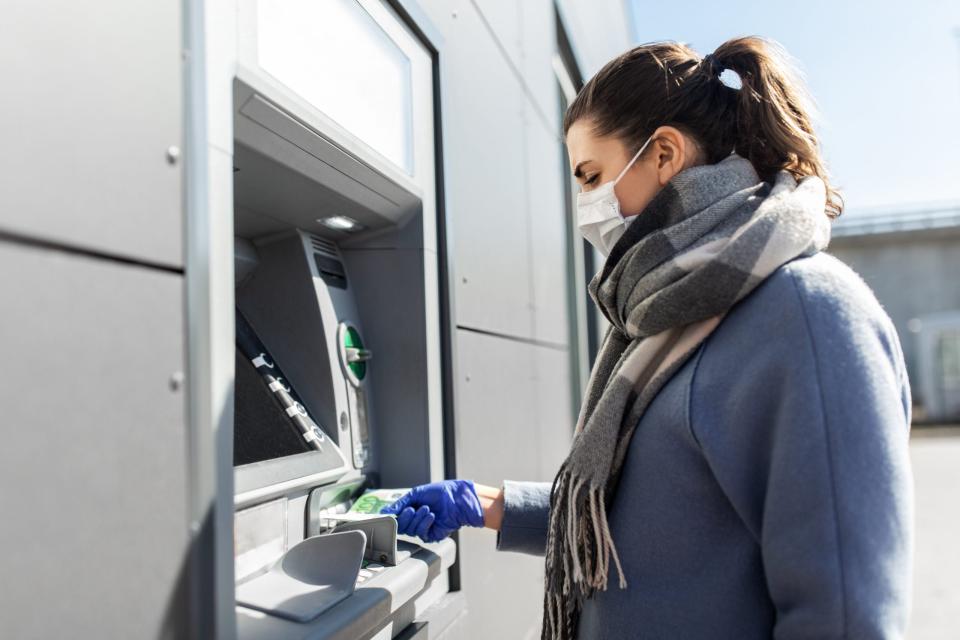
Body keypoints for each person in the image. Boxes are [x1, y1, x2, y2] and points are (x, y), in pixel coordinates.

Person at [380, 36, 913, 639]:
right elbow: (650, 526)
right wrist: (483, 504)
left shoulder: (807, 314)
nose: (586, 205)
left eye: (592, 176)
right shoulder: (664, 316)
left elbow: (846, 620)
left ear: (663, 153)